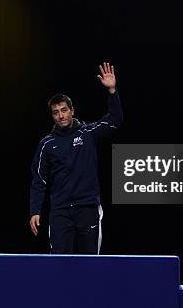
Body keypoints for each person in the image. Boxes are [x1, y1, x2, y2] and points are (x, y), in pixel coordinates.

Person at [29, 62, 122, 254]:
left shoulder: (88, 132)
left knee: (90, 264)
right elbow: (39, 180)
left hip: (87, 208)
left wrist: (112, 91)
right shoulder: (46, 144)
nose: (60, 116)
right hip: (60, 211)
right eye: (56, 112)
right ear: (52, 116)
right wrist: (35, 210)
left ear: (72, 111)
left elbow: (114, 121)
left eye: (64, 110)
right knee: (59, 265)